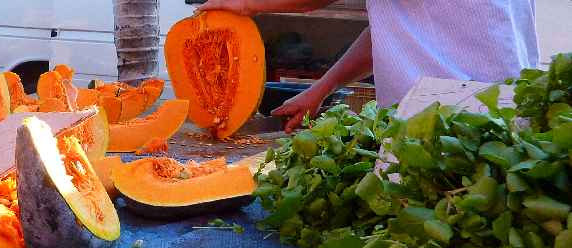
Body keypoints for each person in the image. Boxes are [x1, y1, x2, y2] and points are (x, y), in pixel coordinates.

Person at [199, 0, 539, 132]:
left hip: (456, 117)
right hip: (493, 108)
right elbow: (392, 30)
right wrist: (321, 89)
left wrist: (247, 3)